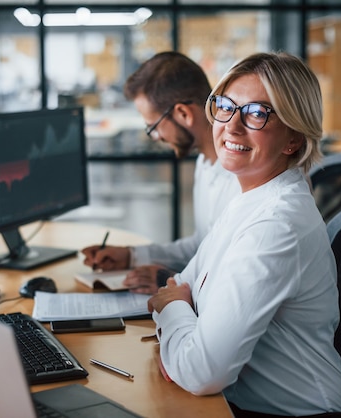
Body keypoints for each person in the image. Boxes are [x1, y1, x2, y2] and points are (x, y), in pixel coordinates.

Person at [147, 52, 341, 417]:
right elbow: (180, 283)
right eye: (225, 106)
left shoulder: (276, 225)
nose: (231, 125)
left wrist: (175, 313)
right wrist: (180, 315)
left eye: (257, 113)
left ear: (293, 138)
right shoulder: (249, 198)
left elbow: (201, 370)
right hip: (242, 405)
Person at [81, 51, 240, 294]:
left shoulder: (240, 179)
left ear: (184, 114)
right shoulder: (206, 163)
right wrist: (131, 256)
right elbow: (200, 246)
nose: (157, 138)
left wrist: (169, 279)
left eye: (153, 127)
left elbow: (234, 279)